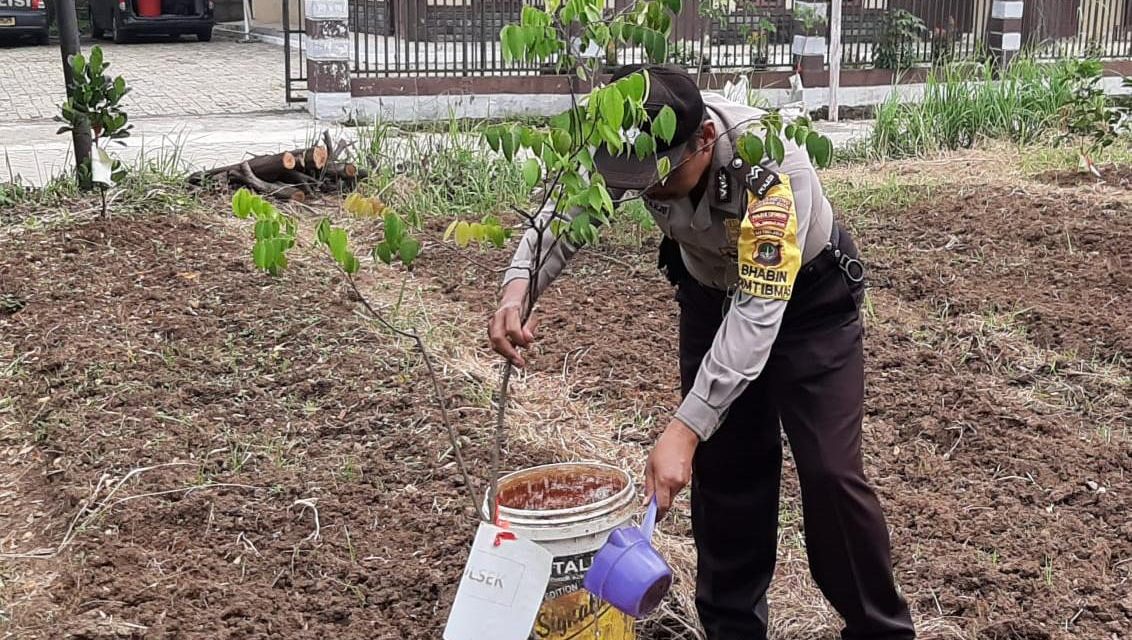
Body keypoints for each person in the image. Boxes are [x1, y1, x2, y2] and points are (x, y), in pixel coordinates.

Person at [488, 64, 916, 640]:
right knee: (726, 476)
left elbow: (760, 311)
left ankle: (881, 630)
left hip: (808, 306)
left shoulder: (768, 163)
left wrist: (686, 427)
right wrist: (520, 288)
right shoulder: (640, 137)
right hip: (708, 296)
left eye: (656, 179)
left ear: (705, 141)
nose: (642, 191)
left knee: (831, 474)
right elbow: (570, 210)